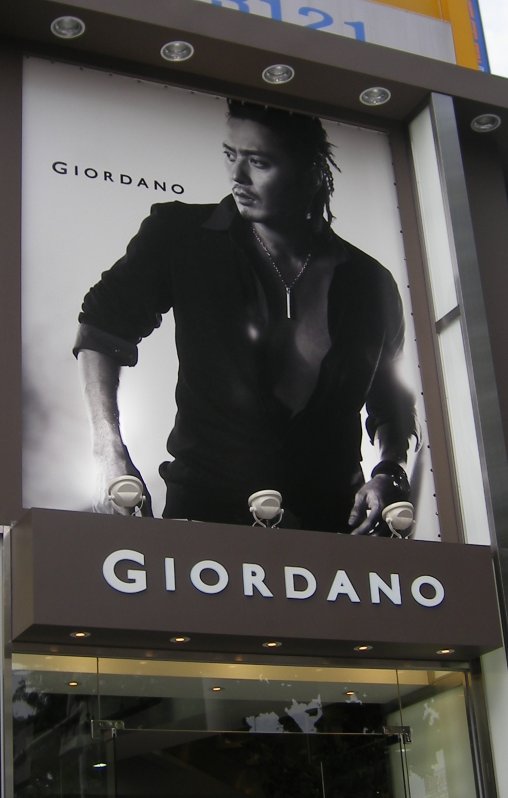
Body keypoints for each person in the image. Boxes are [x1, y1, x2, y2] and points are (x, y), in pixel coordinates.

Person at [74, 100, 419, 534]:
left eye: (258, 161)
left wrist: (390, 469)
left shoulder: (370, 282)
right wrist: (108, 450)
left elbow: (392, 401)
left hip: (333, 527)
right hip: (206, 517)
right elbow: (102, 327)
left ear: (311, 172)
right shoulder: (181, 236)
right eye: (229, 154)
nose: (237, 176)